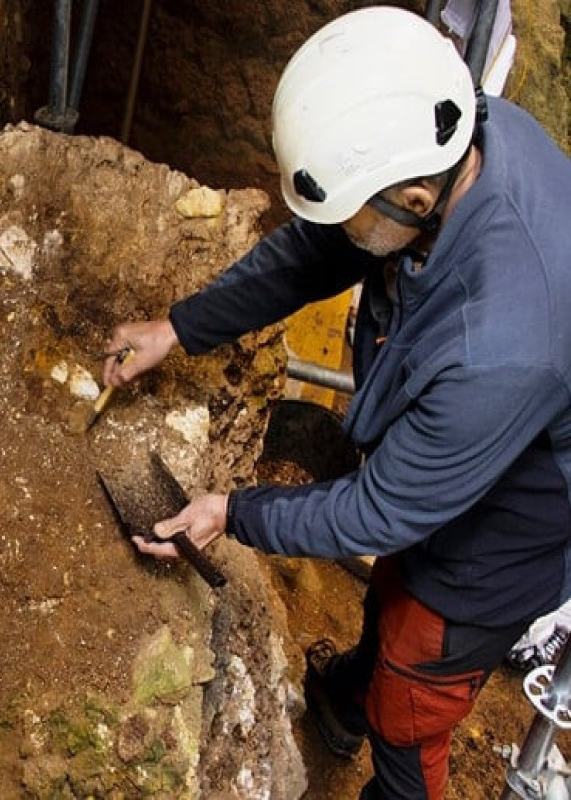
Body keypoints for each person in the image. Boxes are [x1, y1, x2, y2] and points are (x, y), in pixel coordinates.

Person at [103, 7, 571, 799]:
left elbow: (379, 512)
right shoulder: (457, 137)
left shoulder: (498, 345)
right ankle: (349, 694)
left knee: (416, 689)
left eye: (351, 214)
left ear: (415, 200)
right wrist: (178, 329)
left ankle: (386, 745)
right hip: (466, 446)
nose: (338, 231)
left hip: (512, 528)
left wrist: (233, 511)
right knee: (394, 591)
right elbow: (315, 251)